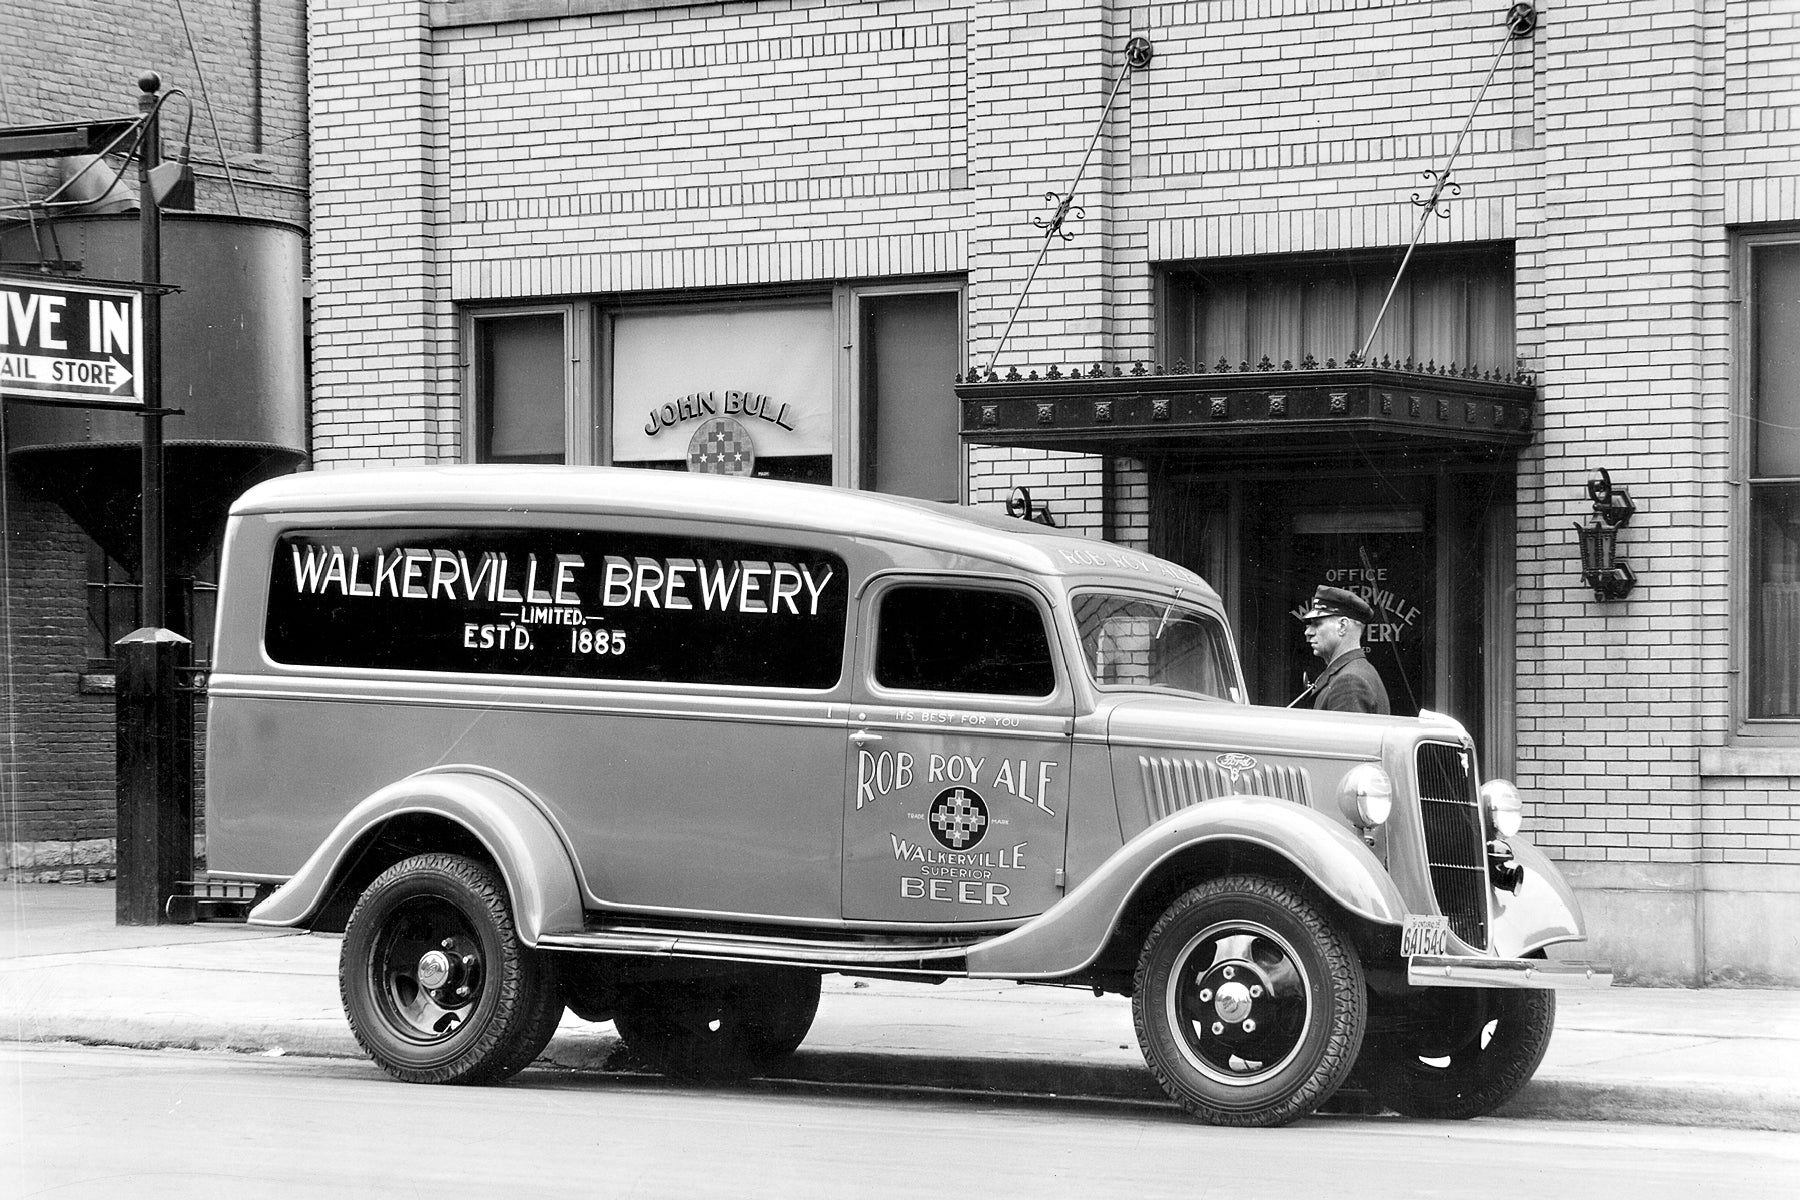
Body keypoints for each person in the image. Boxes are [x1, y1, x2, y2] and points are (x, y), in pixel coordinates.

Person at [1292, 585, 1391, 714]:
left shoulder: (1349, 682)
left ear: (1343, 626)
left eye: (1316, 624)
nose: (1308, 632)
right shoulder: (1355, 672)